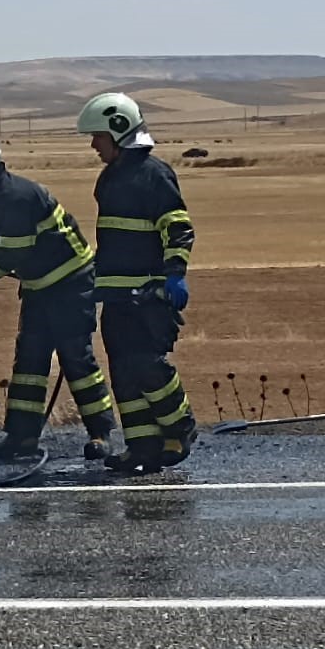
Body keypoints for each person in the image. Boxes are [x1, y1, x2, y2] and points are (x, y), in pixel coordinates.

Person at [0, 132, 117, 460]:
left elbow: (8, 257)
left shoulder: (17, 198)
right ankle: (21, 439)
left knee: (76, 357)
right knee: (29, 363)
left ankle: (101, 434)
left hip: (70, 285)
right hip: (39, 287)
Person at [76, 92, 197, 473]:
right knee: (124, 373)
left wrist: (175, 274)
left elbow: (178, 227)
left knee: (147, 366)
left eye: (98, 136)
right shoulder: (110, 178)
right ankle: (142, 446)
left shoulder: (154, 174)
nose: (93, 144)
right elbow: (114, 239)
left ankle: (179, 429)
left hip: (147, 294)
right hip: (115, 295)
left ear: (119, 130)